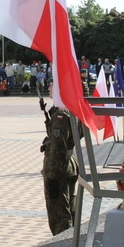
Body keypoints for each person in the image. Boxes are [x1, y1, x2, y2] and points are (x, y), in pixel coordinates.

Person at [40, 83, 79, 235]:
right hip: (69, 165)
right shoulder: (69, 111)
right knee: (69, 209)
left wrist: (52, 178)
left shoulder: (60, 116)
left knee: (60, 216)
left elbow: (58, 148)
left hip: (59, 169)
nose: (49, 89)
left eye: (51, 86)